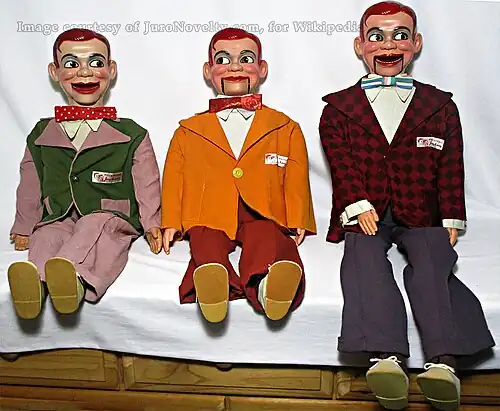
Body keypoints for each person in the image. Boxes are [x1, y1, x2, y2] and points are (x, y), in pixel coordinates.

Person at [319, 2, 494, 409]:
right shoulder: (338, 109)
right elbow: (341, 165)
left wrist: (451, 216)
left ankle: (444, 362)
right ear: (360, 46)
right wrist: (357, 204)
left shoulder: (439, 106)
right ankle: (385, 356)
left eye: (400, 35)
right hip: (366, 211)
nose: (388, 44)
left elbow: (452, 165)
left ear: (416, 44)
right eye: (376, 36)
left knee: (433, 264)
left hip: (422, 209)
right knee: (363, 263)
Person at [161, 28, 316, 323]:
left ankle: (269, 286)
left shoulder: (285, 127)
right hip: (208, 211)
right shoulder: (187, 130)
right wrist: (171, 221)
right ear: (208, 70)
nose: (234, 67)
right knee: (204, 241)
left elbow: (296, 176)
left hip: (262, 209)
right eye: (223, 59)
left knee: (269, 237)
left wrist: (298, 217)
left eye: (245, 59)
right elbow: (173, 178)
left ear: (262, 68)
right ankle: (214, 285)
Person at [8, 28, 162, 319]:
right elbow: (30, 183)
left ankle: (74, 279)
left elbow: (147, 182)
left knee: (96, 227)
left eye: (95, 62)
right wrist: (25, 226)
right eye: (71, 63)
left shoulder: (131, 133)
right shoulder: (41, 133)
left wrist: (153, 223)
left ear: (111, 70)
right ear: (54, 72)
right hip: (59, 212)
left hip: (112, 213)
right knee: (48, 234)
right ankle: (34, 285)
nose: (84, 72)